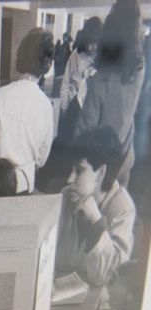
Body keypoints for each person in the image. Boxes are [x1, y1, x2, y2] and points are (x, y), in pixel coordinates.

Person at [55, 127, 135, 310]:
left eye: (79, 170)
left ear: (100, 173)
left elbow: (105, 276)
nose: (70, 179)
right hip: (65, 303)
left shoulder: (122, 207)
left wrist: (95, 222)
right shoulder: (66, 197)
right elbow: (55, 260)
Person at [75, 0, 145, 189]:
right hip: (124, 159)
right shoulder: (138, 72)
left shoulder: (99, 82)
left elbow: (84, 130)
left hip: (97, 166)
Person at [0, 28, 55, 193]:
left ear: (19, 58)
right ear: (46, 65)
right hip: (26, 183)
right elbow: (41, 159)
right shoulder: (46, 105)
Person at [59, 17, 103, 115]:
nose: (89, 47)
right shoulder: (76, 55)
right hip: (75, 109)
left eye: (94, 43)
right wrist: (63, 108)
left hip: (93, 112)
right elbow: (65, 83)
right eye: (88, 42)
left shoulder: (104, 60)